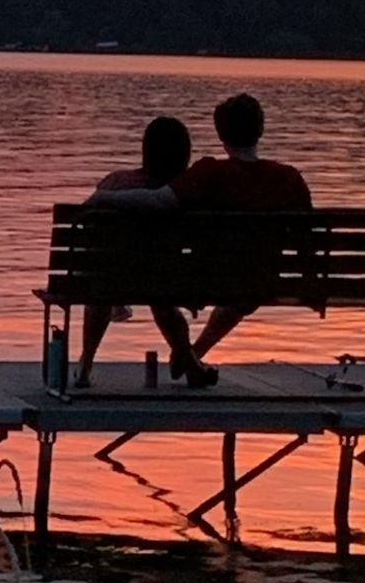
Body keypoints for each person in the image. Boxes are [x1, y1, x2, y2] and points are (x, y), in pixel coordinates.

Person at [175, 92, 311, 369]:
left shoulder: (207, 173)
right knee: (246, 286)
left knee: (227, 284)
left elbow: (169, 206)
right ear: (260, 131)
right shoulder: (287, 178)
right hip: (261, 280)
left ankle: (189, 355)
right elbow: (306, 242)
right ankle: (192, 355)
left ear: (220, 133)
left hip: (203, 279)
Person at [77, 115, 210, 388]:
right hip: (168, 282)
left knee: (102, 288)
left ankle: (85, 363)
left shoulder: (115, 183)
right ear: (184, 155)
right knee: (162, 300)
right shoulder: (186, 194)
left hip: (110, 279)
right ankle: (190, 363)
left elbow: (87, 236)